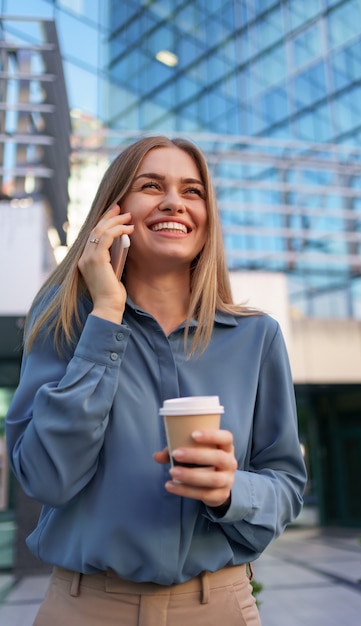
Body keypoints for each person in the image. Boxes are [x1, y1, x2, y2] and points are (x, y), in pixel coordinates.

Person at [6, 135, 307, 626]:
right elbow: (46, 479)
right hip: (84, 608)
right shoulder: (63, 322)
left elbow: (287, 485)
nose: (174, 202)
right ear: (114, 211)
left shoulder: (257, 338)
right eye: (151, 185)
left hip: (220, 607)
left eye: (192, 191)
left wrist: (230, 491)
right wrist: (105, 315)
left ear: (207, 216)